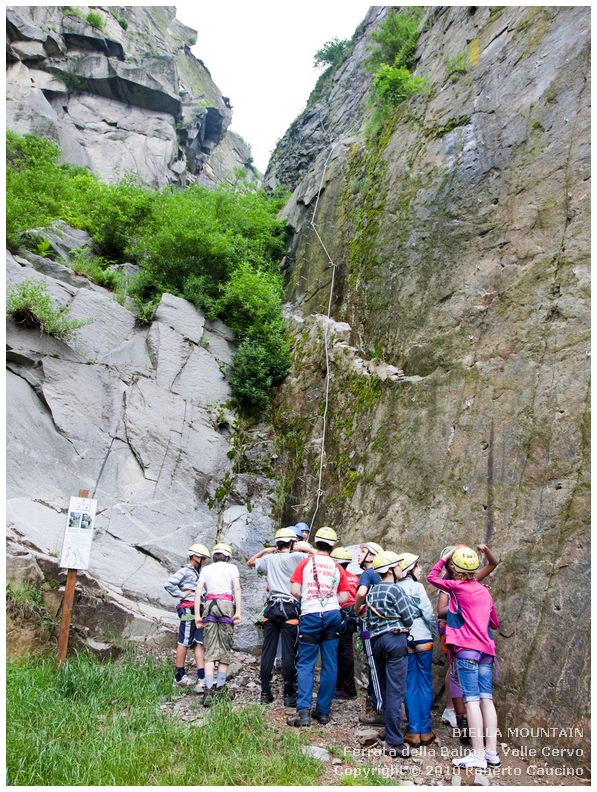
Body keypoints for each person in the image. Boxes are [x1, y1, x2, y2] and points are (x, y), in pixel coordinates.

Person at [428, 546, 501, 772]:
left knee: (471, 701)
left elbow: (431, 577)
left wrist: (445, 558)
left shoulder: (456, 587)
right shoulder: (484, 591)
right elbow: (495, 623)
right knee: (486, 700)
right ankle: (492, 752)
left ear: (455, 569)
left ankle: (478, 755)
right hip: (487, 652)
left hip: (466, 650)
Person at [287, 526, 351, 727]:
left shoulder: (305, 563)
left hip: (311, 615)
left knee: (306, 663)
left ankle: (303, 712)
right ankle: (323, 712)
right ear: (333, 546)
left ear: (315, 542)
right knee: (330, 664)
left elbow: (295, 590)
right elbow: (345, 596)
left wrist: (309, 596)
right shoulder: (338, 567)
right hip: (332, 615)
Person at [247, 527, 314, 706]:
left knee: (268, 651)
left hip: (271, 607)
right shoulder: (297, 557)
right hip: (289, 608)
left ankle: (264, 693)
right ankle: (288, 694)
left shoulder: (269, 559)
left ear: (278, 543)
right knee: (288, 653)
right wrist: (304, 547)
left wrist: (266, 550)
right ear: (292, 542)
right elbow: (320, 556)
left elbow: (251, 562)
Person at [366, 551, 415, 759]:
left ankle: (389, 728)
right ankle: (394, 741)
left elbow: (368, 620)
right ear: (390, 570)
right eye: (397, 566)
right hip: (395, 640)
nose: (400, 569)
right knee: (396, 691)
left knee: (385, 688)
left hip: (376, 641)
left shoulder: (371, 592)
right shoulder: (396, 591)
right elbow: (409, 618)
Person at [396, 552, 437, 748]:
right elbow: (428, 613)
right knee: (425, 683)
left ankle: (412, 731)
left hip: (404, 638)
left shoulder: (394, 588)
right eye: (418, 565)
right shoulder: (417, 587)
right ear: (410, 569)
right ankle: (426, 730)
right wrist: (433, 631)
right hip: (423, 637)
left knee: (409, 683)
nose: (420, 569)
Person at [194, 543, 241, 706]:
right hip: (226, 604)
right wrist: (238, 611)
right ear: (227, 557)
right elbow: (237, 589)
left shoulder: (206, 570)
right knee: (224, 648)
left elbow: (198, 592)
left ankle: (207, 690)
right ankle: (220, 688)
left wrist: (198, 616)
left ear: (214, 556)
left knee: (210, 648)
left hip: (209, 605)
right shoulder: (232, 568)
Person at [164, 543, 210, 689]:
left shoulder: (197, 572)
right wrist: (182, 594)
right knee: (184, 641)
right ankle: (179, 676)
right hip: (189, 609)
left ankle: (201, 676)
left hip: (197, 609)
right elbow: (169, 584)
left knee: (198, 642)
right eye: (202, 557)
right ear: (194, 556)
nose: (204, 560)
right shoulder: (185, 570)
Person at [354, 541, 385, 724]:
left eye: (363, 551)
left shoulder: (369, 573)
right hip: (385, 626)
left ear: (372, 556)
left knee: (372, 664)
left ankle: (378, 710)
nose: (359, 555)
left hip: (369, 624)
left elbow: (361, 593)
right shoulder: (385, 574)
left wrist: (358, 609)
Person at [330, 547, 359, 700]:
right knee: (345, 651)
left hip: (342, 612)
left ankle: (346, 688)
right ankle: (344, 686)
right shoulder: (354, 577)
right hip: (353, 613)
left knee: (342, 652)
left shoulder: (336, 577)